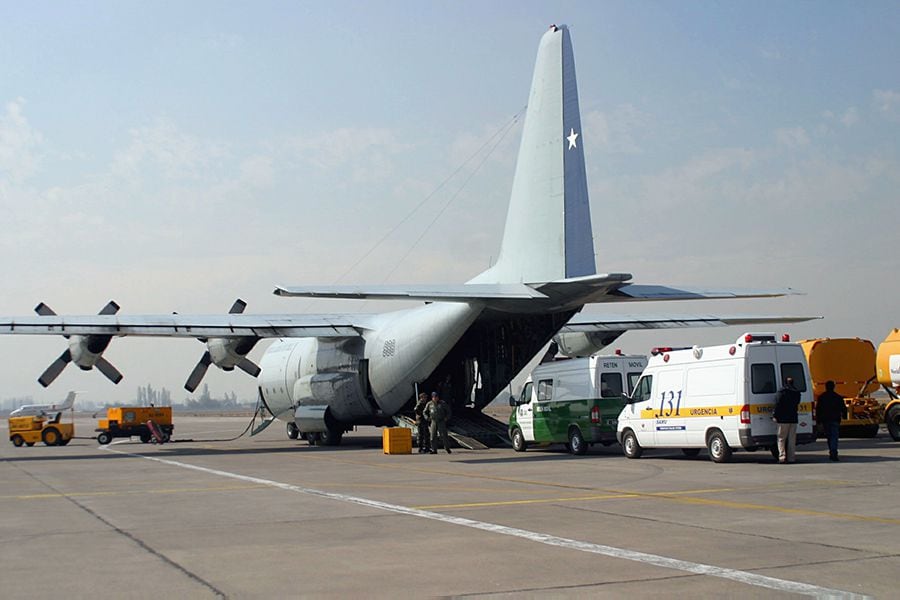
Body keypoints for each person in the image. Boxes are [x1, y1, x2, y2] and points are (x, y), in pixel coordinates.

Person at [817, 380, 847, 461]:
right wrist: (844, 416)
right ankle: (833, 452)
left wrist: (818, 421)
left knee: (829, 436)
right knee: (834, 436)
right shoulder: (837, 397)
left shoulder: (822, 397)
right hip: (835, 419)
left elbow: (818, 409)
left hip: (825, 420)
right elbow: (843, 408)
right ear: (834, 387)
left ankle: (832, 450)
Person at [773, 376, 801, 464]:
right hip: (793, 418)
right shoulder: (796, 393)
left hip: (782, 419)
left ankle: (782, 457)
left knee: (781, 438)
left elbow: (777, 404)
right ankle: (791, 458)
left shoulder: (782, 392)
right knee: (792, 439)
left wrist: (775, 415)